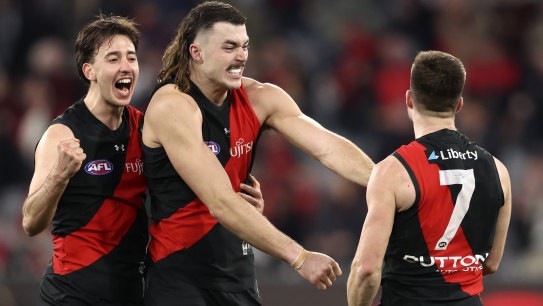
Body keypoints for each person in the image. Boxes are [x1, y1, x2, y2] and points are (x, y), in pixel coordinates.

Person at [141, 1, 375, 305]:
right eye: (229, 47)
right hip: (179, 278)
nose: (241, 56)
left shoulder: (261, 97)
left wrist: (387, 183)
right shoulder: (172, 105)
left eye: (244, 46)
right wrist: (300, 257)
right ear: (195, 52)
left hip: (238, 275)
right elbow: (221, 202)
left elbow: (327, 147)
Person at [347, 50, 511, 306]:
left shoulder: (393, 171)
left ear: (409, 100)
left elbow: (366, 270)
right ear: (459, 105)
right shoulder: (498, 170)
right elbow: (491, 262)